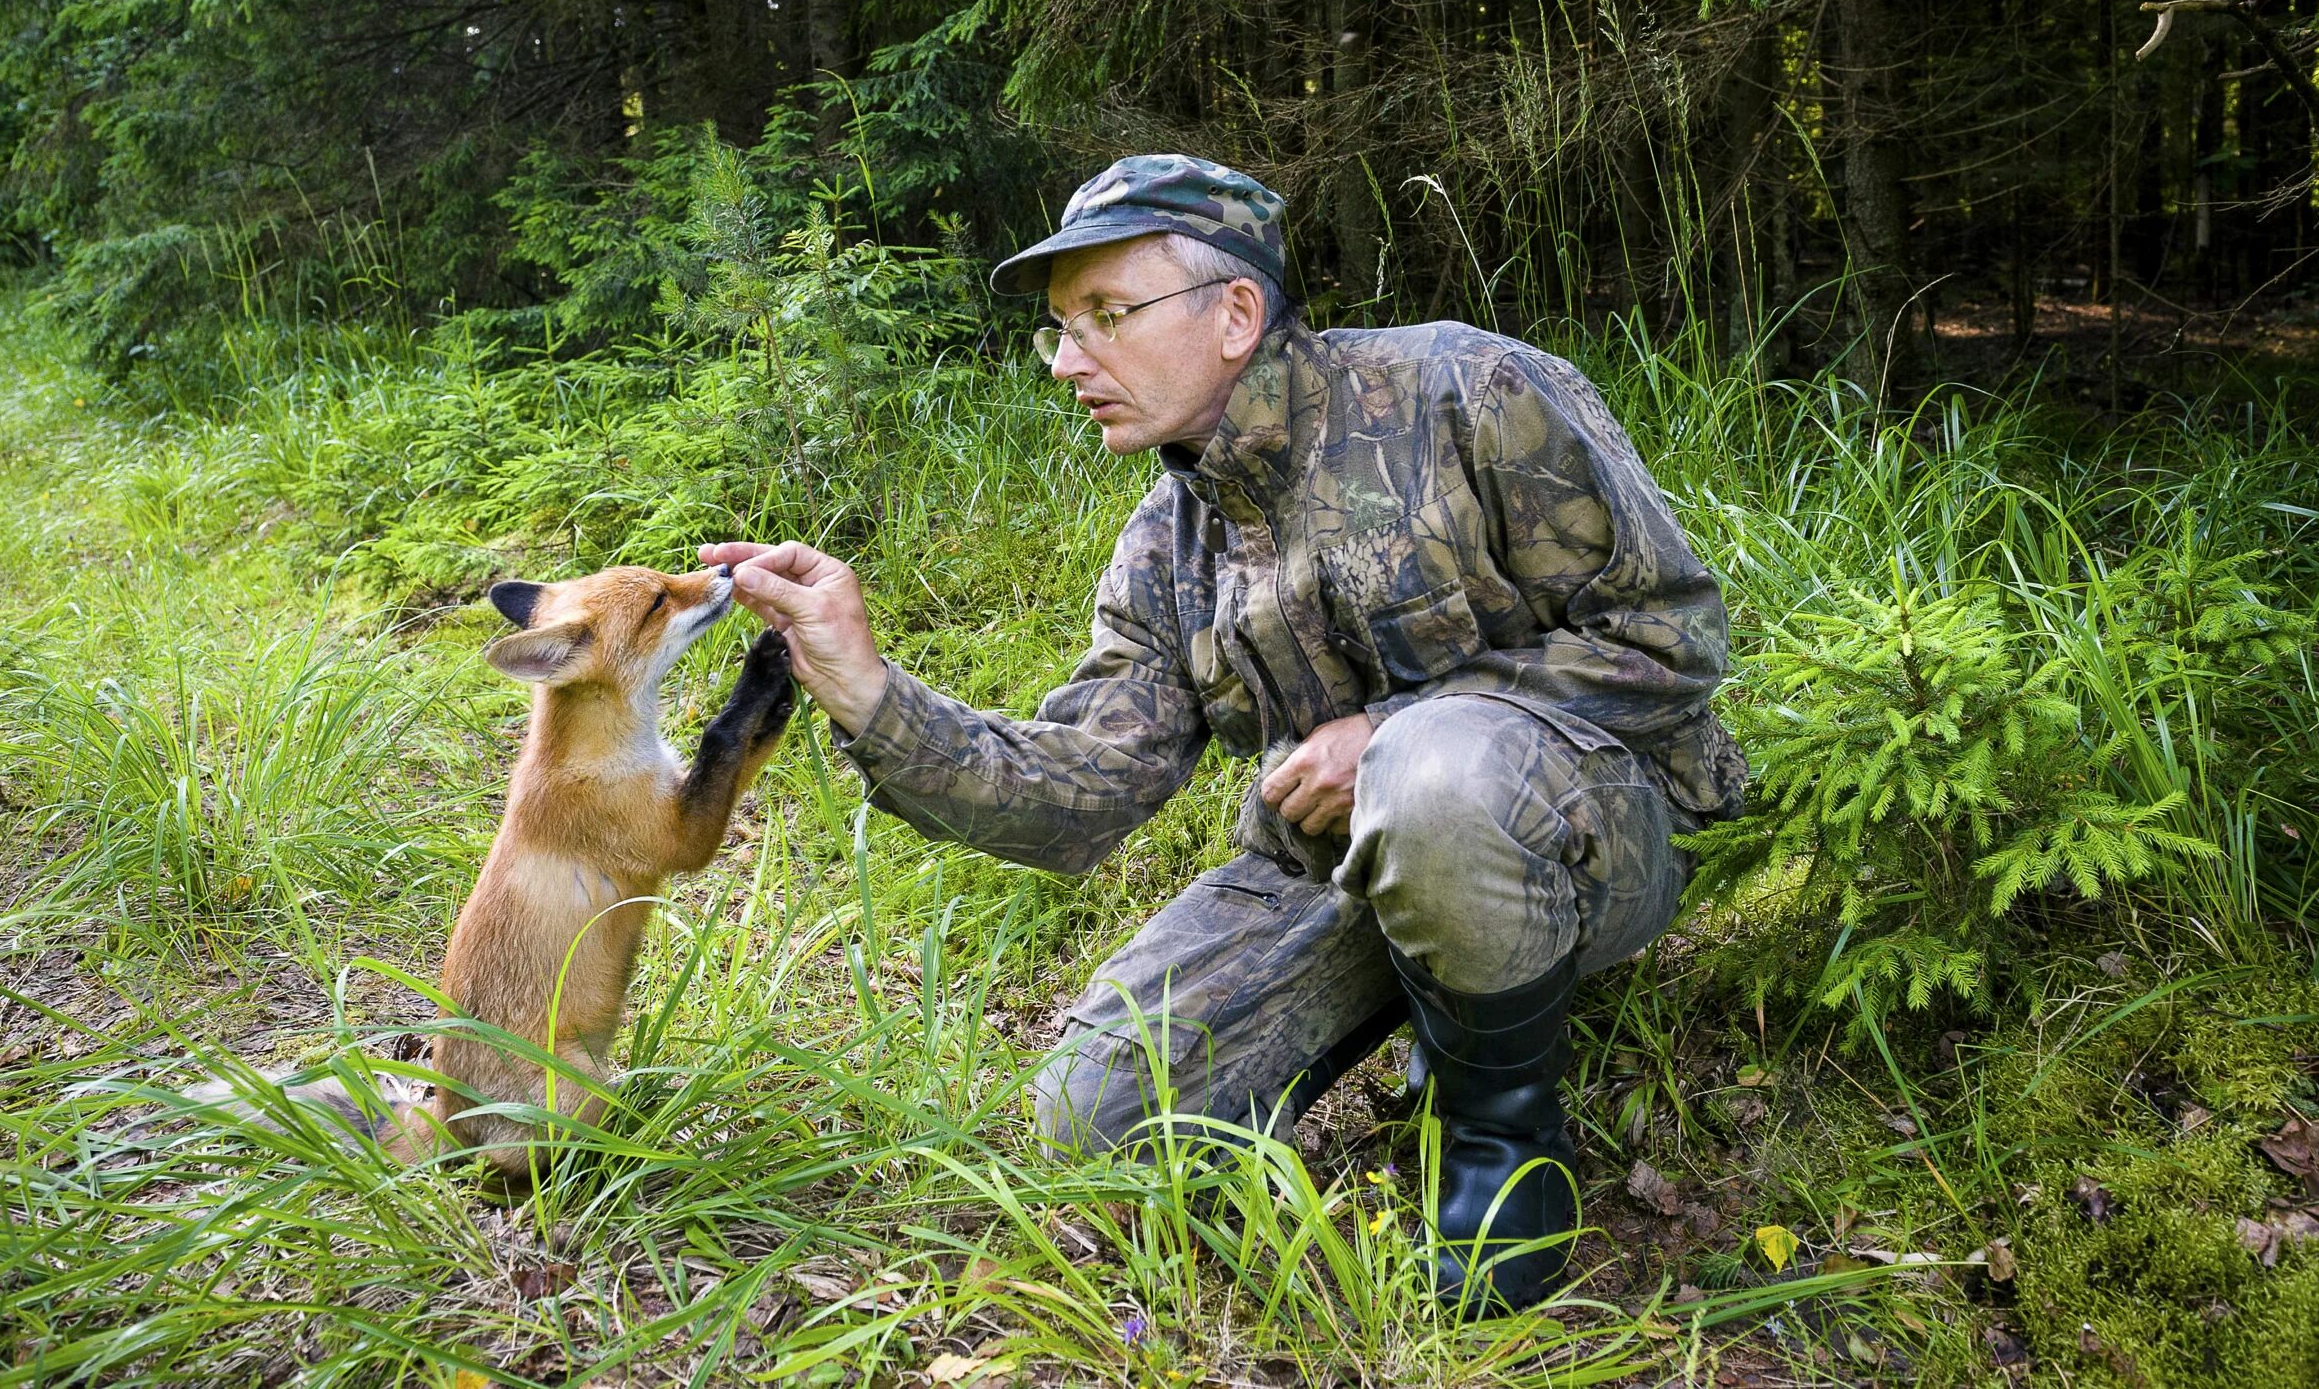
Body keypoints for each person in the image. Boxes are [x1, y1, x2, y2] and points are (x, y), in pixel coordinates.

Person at [700, 154, 1747, 1313]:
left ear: (1235, 312)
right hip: (1335, 868)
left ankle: (1498, 1135)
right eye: (1057, 326)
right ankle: (1427, 977)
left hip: (1596, 831)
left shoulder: (1469, 389)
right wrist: (864, 685)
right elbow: (1079, 791)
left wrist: (1388, 732)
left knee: (1436, 770)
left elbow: (1668, 639)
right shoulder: (1167, 542)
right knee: (1091, 1118)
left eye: (1105, 314)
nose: (1064, 359)